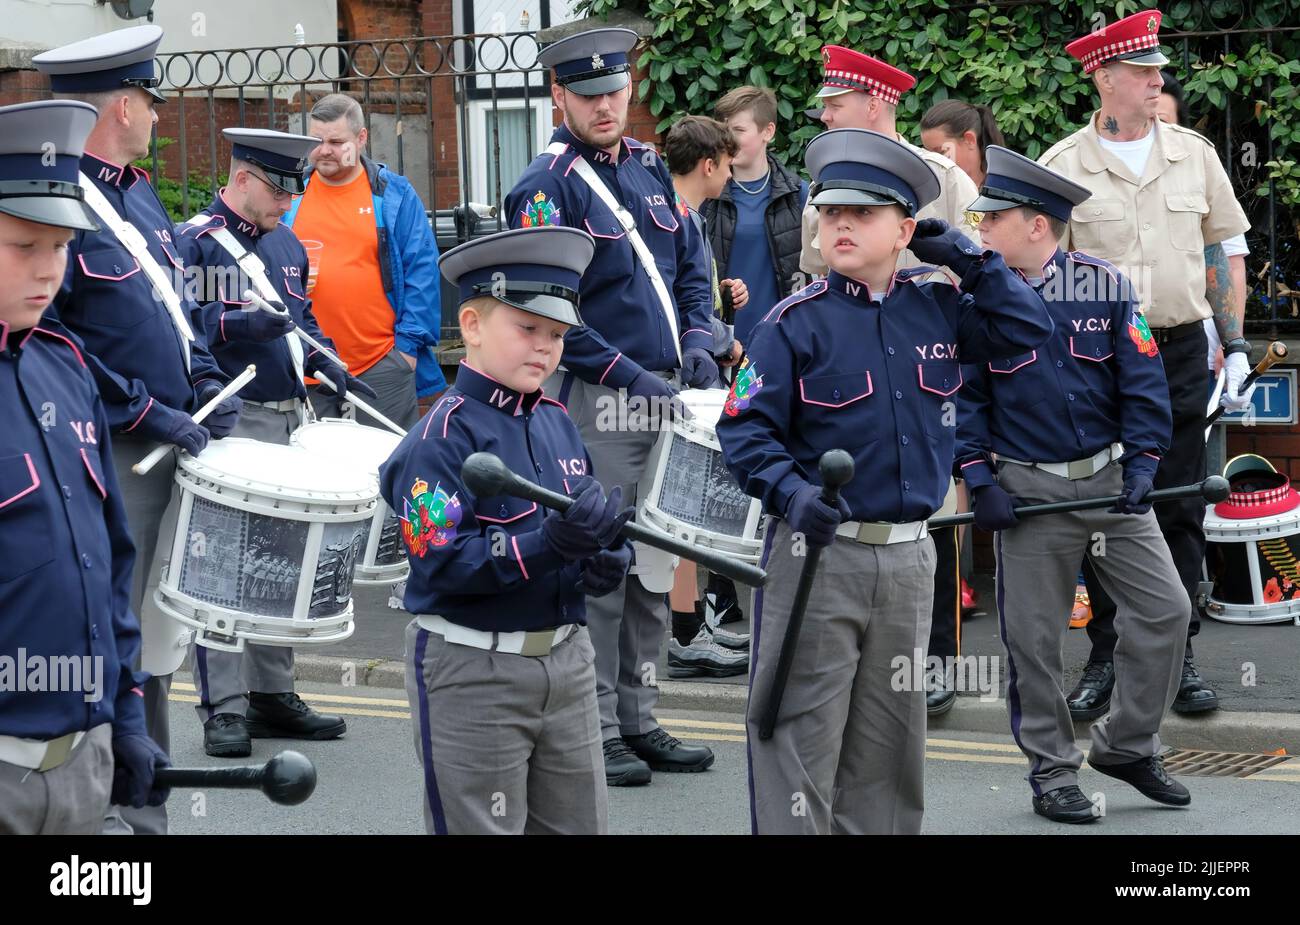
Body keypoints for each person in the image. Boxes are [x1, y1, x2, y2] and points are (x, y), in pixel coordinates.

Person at [717, 128, 1051, 834]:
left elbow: (1029, 329)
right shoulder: (791, 323)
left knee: (889, 747)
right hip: (819, 555)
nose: (840, 224)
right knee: (799, 735)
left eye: (863, 214)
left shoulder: (935, 305)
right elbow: (743, 432)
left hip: (909, 557)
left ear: (904, 229)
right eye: (832, 211)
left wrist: (969, 256)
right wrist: (792, 492)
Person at [34, 24, 240, 835]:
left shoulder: (140, 192)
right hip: (114, 447)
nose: (158, 116)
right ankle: (104, 814)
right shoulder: (56, 199)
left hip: (174, 439)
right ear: (124, 104)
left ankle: (143, 807)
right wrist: (149, 409)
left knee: (155, 631)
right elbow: (59, 342)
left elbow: (177, 306)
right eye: (152, 102)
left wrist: (207, 381)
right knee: (106, 624)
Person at [504, 27, 718, 786]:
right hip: (599, 398)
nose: (604, 106)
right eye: (588, 95)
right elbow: (548, 307)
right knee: (604, 561)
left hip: (670, 392)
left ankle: (642, 714)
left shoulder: (652, 169)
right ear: (558, 96)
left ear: (630, 91)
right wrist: (632, 374)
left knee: (657, 565)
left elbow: (692, 264)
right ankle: (598, 728)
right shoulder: (544, 185)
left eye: (615, 93)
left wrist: (699, 333)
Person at [956, 145, 1192, 823]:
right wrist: (979, 477)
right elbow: (963, 399)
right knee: (1032, 639)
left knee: (1166, 611)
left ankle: (1126, 743)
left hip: (1112, 482)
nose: (981, 228)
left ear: (1036, 225)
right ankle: (1053, 770)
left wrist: (1145, 462)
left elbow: (1142, 381)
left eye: (993, 219)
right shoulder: (977, 300)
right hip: (1028, 492)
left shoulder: (1103, 285)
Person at [379, 225, 631, 834]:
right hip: (474, 670)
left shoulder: (556, 421)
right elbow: (442, 563)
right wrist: (548, 547)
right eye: (527, 328)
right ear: (470, 325)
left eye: (557, 334)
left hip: (568, 662)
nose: (544, 347)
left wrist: (600, 559)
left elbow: (580, 535)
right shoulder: (439, 440)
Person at [1040, 10, 1251, 724]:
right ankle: (1107, 652)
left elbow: (1222, 250)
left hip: (1182, 347)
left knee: (1179, 499)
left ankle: (1178, 652)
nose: (1160, 77)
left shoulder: (1193, 153)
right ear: (1105, 78)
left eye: (1159, 67)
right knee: (1102, 504)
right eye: (1144, 69)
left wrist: (1239, 343)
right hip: (1098, 355)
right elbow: (1043, 269)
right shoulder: (1064, 165)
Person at [0, 99, 170, 834]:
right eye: (23, 246)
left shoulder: (64, 367)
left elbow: (108, 567)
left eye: (62, 247)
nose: (48, 271)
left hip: (84, 766)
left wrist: (126, 710)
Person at [175, 128, 368, 757]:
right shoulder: (196, 244)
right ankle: (225, 708)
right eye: (279, 190)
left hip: (291, 415)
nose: (288, 203)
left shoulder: (285, 242)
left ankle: (271, 694)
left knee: (281, 560)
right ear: (244, 179)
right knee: (224, 566)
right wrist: (240, 322)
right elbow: (189, 327)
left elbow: (302, 318)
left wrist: (327, 358)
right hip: (236, 419)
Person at [284, 93, 444, 429]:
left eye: (336, 141)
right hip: (308, 365)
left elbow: (422, 271)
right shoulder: (289, 194)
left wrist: (407, 351)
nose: (324, 150)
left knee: (384, 471)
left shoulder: (393, 195)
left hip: (380, 365)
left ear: (361, 138)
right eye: (316, 140)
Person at [663, 114, 751, 678]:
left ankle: (693, 623)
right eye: (728, 164)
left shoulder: (680, 216)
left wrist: (723, 310)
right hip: (682, 379)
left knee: (685, 514)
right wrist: (727, 342)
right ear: (709, 165)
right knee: (679, 515)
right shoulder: (677, 219)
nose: (732, 174)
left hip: (692, 371)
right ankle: (685, 634)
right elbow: (675, 312)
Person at [800, 45, 981, 277]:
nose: (825, 116)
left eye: (835, 106)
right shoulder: (824, 183)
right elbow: (818, 271)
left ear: (873, 106)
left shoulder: (945, 177)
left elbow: (977, 262)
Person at [700, 86, 810, 347]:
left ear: (768, 132)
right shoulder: (707, 194)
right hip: (722, 343)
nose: (728, 140)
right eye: (724, 131)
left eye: (738, 131)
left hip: (781, 341)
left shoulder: (798, 194)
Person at [919, 100, 1006, 189]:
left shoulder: (1007, 193)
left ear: (970, 140)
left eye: (941, 152)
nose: (933, 163)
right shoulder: (931, 193)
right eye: (929, 155)